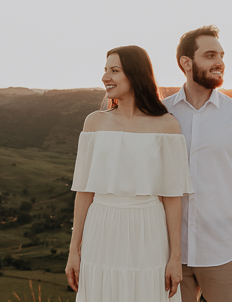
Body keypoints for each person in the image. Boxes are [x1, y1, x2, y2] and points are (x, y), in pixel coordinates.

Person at [66, 45, 194, 302]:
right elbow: (84, 191)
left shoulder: (167, 125)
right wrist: (73, 251)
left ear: (135, 74)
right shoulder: (94, 122)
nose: (105, 77)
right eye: (105, 70)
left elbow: (172, 197)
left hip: (148, 229)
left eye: (115, 70)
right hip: (101, 228)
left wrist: (174, 259)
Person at [162, 26, 232, 302]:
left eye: (222, 55)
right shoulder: (161, 113)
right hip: (169, 252)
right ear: (186, 63)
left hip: (225, 249)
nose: (220, 62)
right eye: (210, 54)